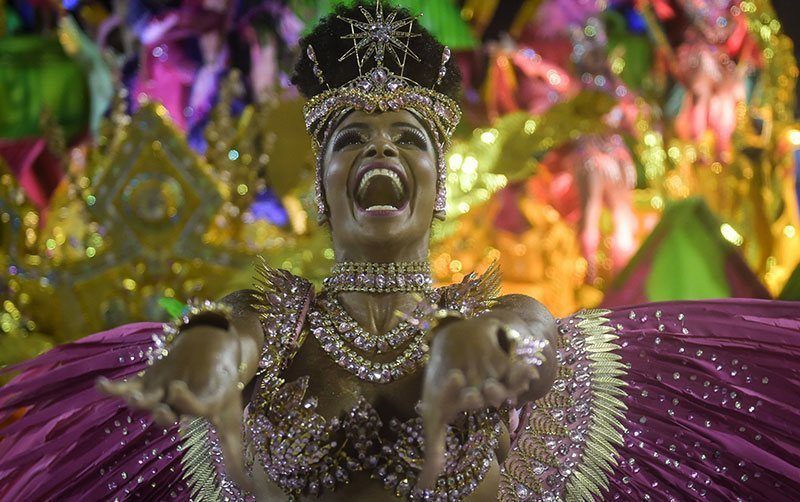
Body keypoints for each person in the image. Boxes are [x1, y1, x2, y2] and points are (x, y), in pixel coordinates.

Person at [1, 2, 799, 501]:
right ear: (320, 187)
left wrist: (485, 343)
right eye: (352, 138)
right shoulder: (270, 331)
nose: (380, 152)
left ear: (439, 183)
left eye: (407, 138)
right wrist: (202, 347)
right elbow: (226, 330)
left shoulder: (502, 320)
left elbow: (534, 340)